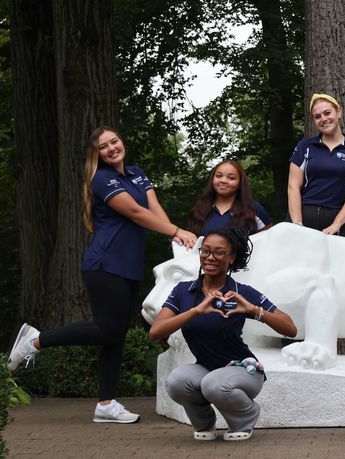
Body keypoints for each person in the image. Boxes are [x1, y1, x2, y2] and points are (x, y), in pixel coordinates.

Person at [7, 126, 198, 423]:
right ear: (97, 155)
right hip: (105, 263)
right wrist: (176, 230)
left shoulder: (136, 172)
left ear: (122, 142)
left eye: (115, 141)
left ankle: (106, 404)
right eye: (103, 147)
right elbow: (135, 212)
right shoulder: (102, 179)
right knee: (108, 330)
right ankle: (36, 339)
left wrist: (178, 240)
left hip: (129, 265)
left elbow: (153, 208)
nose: (111, 148)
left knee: (115, 336)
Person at [149, 227, 297, 441]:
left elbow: (290, 328)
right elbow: (155, 332)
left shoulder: (241, 292)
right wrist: (195, 311)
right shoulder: (183, 291)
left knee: (213, 383)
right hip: (207, 368)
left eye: (219, 252)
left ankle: (246, 418)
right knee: (177, 381)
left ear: (231, 258)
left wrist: (254, 311)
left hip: (244, 370)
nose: (210, 257)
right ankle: (204, 424)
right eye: (205, 251)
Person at [287, 93, 345, 237]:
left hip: (336, 219)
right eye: (317, 116)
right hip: (303, 215)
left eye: (327, 113)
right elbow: (293, 186)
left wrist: (337, 224)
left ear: (338, 112)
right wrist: (297, 224)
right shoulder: (305, 147)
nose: (323, 119)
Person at [187, 159, 272, 237]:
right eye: (218, 176)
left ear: (240, 183)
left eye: (231, 178)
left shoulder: (253, 208)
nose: (223, 181)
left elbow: (267, 240)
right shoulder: (200, 210)